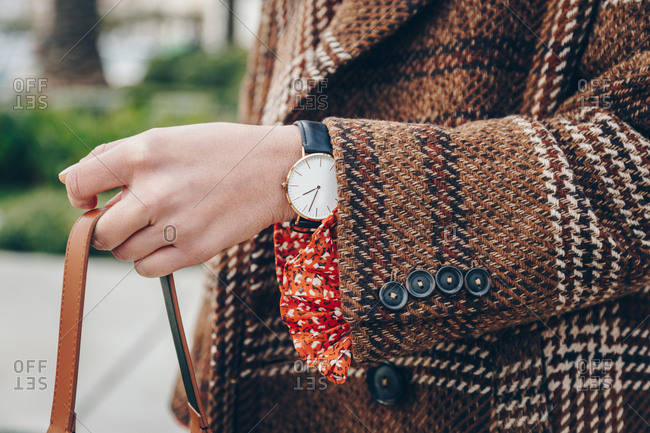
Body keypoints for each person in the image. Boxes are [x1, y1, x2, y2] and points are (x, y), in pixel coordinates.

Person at [60, 0, 650, 432]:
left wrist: (314, 171)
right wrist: (210, 373)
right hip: (283, 382)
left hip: (517, 397)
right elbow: (279, 90)